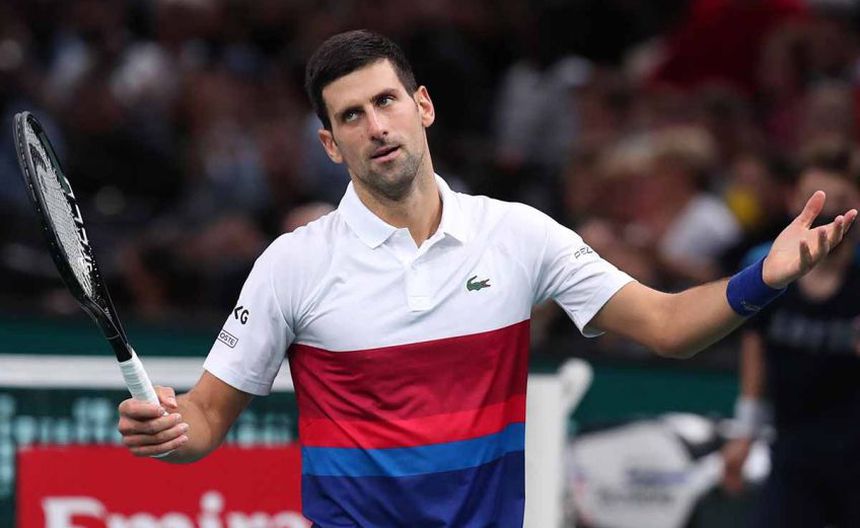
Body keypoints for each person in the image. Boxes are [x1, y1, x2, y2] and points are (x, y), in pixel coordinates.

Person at [117, 30, 856, 527]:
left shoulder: (518, 235)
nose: (376, 126)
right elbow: (206, 418)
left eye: (386, 101)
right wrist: (170, 431)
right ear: (331, 144)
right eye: (351, 116)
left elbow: (667, 327)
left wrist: (765, 277)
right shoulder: (292, 264)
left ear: (423, 106)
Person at [721, 139, 860, 527]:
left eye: (839, 200)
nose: (826, 213)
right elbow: (755, 353)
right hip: (791, 455)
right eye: (813, 200)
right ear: (793, 202)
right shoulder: (765, 267)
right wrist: (744, 434)